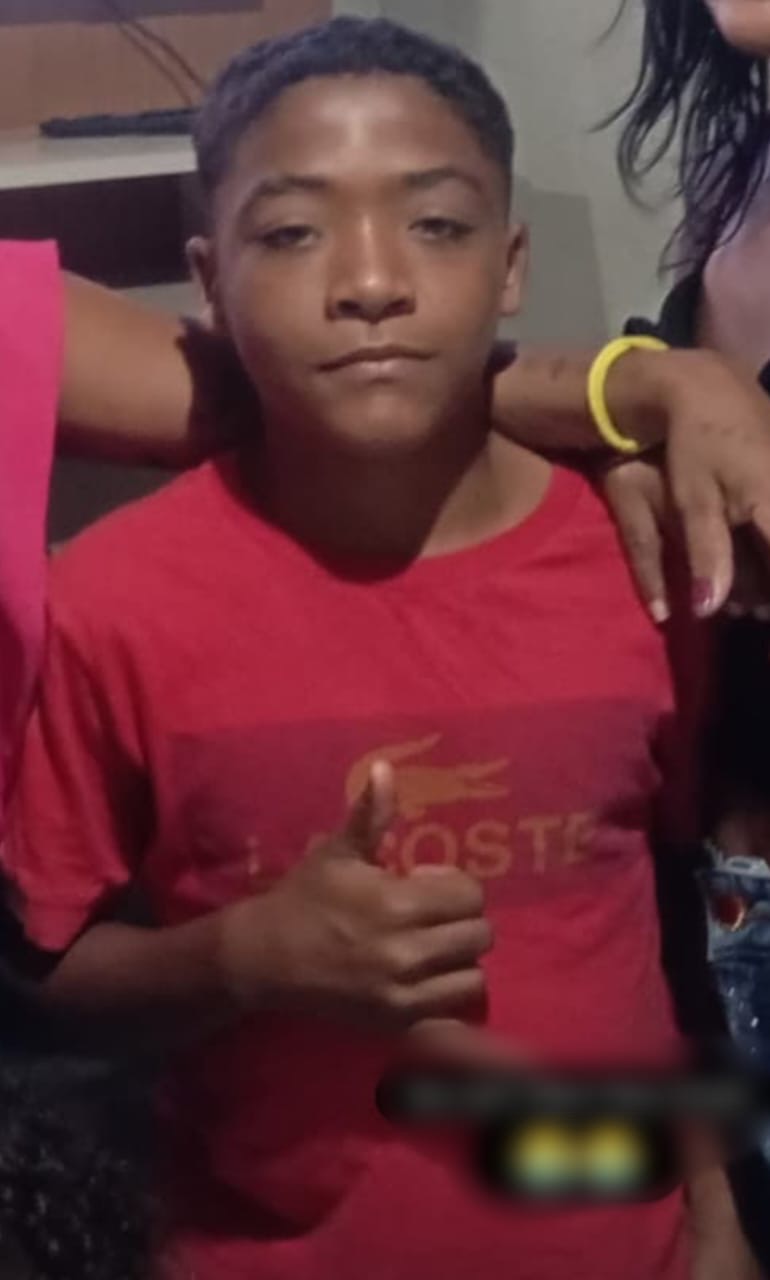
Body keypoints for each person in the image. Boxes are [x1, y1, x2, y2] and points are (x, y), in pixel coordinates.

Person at [0, 17, 758, 1279]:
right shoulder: (112, 604)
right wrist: (243, 956)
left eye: (436, 224)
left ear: (510, 266)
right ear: (207, 279)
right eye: (292, 233)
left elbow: (670, 920)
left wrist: (709, 1197)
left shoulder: (635, 568)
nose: (368, 279)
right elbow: (39, 978)